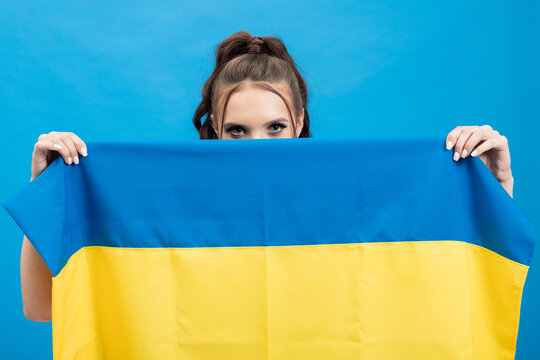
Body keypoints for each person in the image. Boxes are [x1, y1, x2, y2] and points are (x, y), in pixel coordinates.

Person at [21, 31, 514, 322]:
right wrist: (49, 198)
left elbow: (455, 297)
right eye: (238, 131)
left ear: (299, 123)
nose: (258, 147)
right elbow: (44, 308)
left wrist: (493, 196)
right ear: (214, 129)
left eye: (275, 128)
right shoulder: (169, 208)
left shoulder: (354, 204)